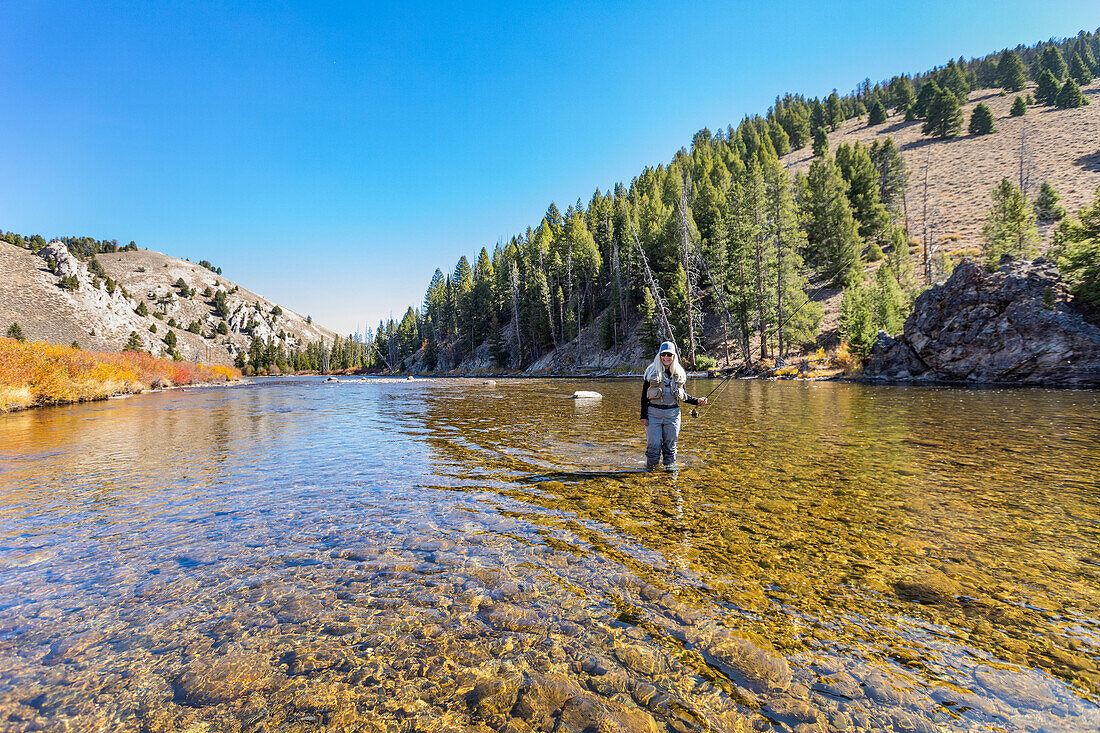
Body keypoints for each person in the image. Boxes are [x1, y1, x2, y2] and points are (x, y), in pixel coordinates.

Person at [640, 341, 706, 469]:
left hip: (673, 415)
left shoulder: (679, 373)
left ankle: (670, 473)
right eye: (663, 354)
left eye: (669, 355)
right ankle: (650, 472)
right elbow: (644, 397)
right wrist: (644, 416)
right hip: (653, 414)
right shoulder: (651, 371)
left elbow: (683, 396)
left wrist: (697, 400)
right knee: (654, 445)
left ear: (674, 356)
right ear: (659, 355)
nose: (666, 357)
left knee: (670, 445)